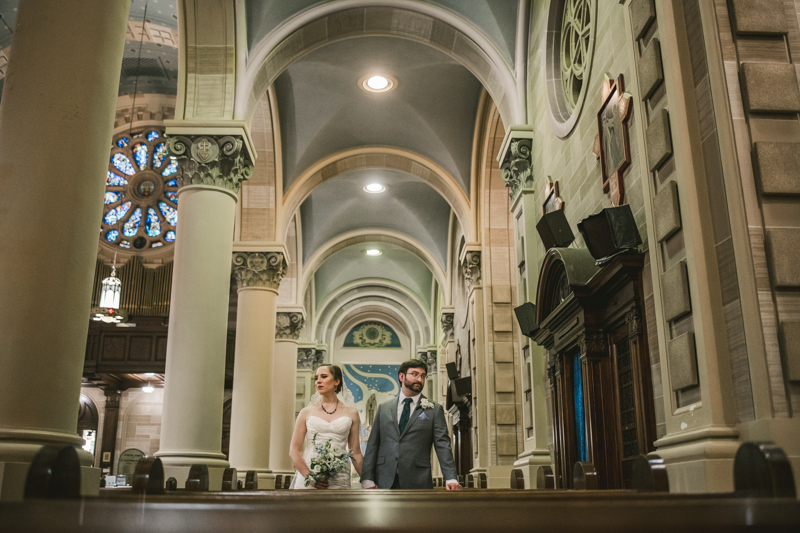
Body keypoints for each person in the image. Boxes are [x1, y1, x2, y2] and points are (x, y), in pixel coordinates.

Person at [361, 359, 461, 490]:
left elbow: (443, 445)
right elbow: (373, 444)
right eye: (415, 374)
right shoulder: (384, 408)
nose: (420, 379)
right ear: (401, 376)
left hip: (418, 479)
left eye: (423, 376)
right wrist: (367, 478)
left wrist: (451, 478)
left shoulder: (434, 410)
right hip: (384, 479)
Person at [289, 364, 363, 489]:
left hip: (339, 476)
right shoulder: (306, 412)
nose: (318, 381)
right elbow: (294, 450)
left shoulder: (352, 413)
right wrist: (309, 477)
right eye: (316, 378)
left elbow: (355, 452)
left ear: (336, 381)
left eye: (324, 376)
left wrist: (367, 481)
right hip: (310, 472)